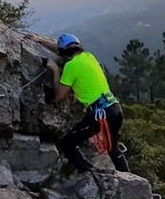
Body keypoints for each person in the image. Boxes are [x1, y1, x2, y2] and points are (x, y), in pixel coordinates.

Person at [46, 33, 130, 174]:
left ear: (62, 52)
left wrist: (54, 69)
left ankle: (90, 173)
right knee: (113, 148)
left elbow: (58, 96)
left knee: (68, 143)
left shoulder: (71, 66)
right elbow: (60, 48)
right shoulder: (89, 57)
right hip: (114, 109)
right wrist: (41, 41)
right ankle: (130, 180)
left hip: (101, 115)